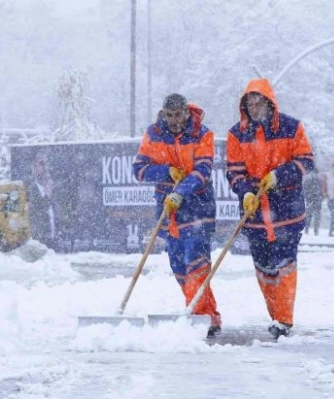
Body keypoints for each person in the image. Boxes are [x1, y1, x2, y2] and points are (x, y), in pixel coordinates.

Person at [226, 78, 315, 339]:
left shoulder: (291, 128)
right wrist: (245, 192)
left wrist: (279, 175)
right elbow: (233, 170)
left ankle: (284, 320)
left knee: (285, 265)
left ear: (269, 102)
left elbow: (306, 161)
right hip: (255, 213)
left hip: (287, 211)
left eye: (258, 102)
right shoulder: (237, 134)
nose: (254, 108)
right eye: (249, 104)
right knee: (264, 268)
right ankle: (275, 314)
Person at [132, 93, 222, 337]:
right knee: (179, 264)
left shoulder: (202, 134)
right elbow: (138, 170)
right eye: (169, 115)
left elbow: (203, 170)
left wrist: (181, 191)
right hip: (167, 209)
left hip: (198, 206)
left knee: (196, 261)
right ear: (164, 113)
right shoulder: (153, 134)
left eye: (178, 115)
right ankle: (208, 315)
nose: (174, 120)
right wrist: (166, 172)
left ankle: (200, 314)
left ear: (186, 112)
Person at [28, 151, 57, 248]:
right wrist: (47, 194)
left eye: (46, 163)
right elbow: (38, 208)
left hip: (53, 235)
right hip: (41, 235)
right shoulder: (32, 187)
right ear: (34, 166)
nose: (44, 167)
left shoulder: (54, 184)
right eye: (41, 164)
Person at [303, 169, 323, 235]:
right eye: (314, 173)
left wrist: (321, 198)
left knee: (316, 217)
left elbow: (321, 191)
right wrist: (308, 198)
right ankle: (307, 229)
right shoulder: (308, 181)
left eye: (316, 173)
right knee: (309, 216)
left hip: (317, 201)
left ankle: (316, 230)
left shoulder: (319, 181)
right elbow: (304, 191)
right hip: (311, 200)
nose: (315, 175)